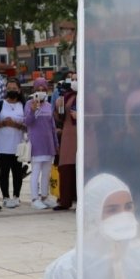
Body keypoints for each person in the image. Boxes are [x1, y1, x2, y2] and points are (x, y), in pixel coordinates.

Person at [24, 79, 59, 209]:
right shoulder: (29, 104)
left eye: (43, 89)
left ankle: (45, 196)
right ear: (34, 90)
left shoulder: (49, 106)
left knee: (46, 172)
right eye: (38, 89)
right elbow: (27, 122)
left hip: (48, 144)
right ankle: (34, 198)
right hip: (36, 144)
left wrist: (55, 143)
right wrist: (32, 110)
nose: (41, 91)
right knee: (36, 172)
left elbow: (52, 127)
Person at [0, 78, 26, 208]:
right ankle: (5, 197)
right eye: (9, 88)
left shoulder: (23, 105)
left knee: (17, 173)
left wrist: (16, 124)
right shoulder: (0, 104)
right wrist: (2, 123)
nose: (11, 91)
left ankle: (16, 196)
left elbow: (28, 125)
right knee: (4, 172)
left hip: (18, 145)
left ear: (19, 90)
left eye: (14, 88)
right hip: (2, 146)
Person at [54, 74, 78, 211]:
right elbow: (59, 116)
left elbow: (97, 115)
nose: (74, 82)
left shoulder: (90, 96)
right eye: (72, 79)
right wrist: (59, 104)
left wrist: (81, 116)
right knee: (66, 167)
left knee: (82, 168)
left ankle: (82, 199)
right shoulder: (67, 96)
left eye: (77, 79)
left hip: (85, 136)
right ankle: (65, 200)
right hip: (69, 135)